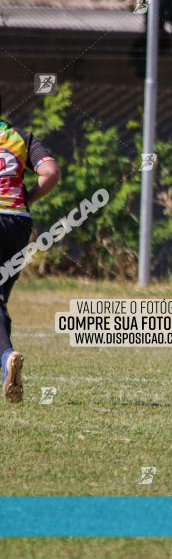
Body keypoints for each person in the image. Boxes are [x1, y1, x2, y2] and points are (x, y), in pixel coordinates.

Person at [0, 113, 61, 402]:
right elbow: (50, 173)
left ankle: (7, 357)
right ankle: (6, 371)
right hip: (17, 220)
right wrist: (28, 198)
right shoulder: (20, 136)